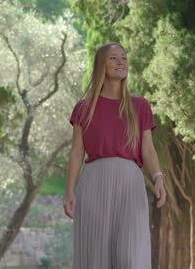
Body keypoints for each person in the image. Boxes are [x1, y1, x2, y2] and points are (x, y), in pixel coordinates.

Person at [63, 42, 167, 269]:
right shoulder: (84, 108)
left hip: (130, 182)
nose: (121, 62)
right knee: (95, 257)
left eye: (124, 57)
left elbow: (147, 149)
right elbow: (77, 152)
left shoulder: (140, 106)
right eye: (113, 58)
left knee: (130, 256)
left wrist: (158, 176)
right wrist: (70, 191)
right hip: (93, 182)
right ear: (101, 65)